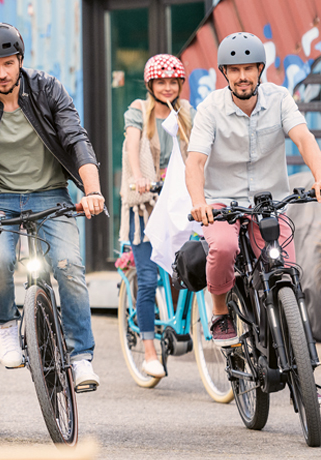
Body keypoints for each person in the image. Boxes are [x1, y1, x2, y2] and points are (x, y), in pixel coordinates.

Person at [0, 23, 105, 389]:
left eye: (8, 63)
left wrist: (92, 191)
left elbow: (75, 137)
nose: (1, 73)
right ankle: (5, 325)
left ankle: (81, 357)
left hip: (50, 193)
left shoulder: (48, 89)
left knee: (68, 266)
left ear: (20, 59)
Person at [185, 32, 321, 346]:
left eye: (249, 68)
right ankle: (220, 312)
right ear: (224, 73)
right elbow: (196, 161)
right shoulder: (210, 108)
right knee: (224, 248)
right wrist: (199, 201)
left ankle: (301, 364)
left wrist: (320, 177)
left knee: (286, 270)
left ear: (259, 70)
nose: (243, 76)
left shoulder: (279, 98)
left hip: (268, 205)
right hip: (222, 205)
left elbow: (304, 138)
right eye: (235, 69)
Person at [119, 54, 194, 378]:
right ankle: (149, 349)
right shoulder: (139, 110)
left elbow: (199, 149)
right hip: (146, 203)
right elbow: (134, 146)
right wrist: (138, 176)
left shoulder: (186, 112)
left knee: (196, 266)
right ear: (150, 85)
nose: (167, 87)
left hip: (178, 203)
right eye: (161, 82)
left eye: (173, 82)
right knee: (148, 279)